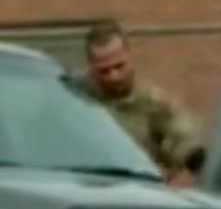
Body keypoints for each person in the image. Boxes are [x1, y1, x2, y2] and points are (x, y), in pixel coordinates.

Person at [70, 18, 204, 182]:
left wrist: (196, 160)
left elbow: (180, 135)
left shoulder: (151, 101)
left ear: (128, 56)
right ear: (90, 66)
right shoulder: (73, 97)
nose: (114, 76)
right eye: (104, 71)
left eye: (119, 66)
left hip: (137, 185)